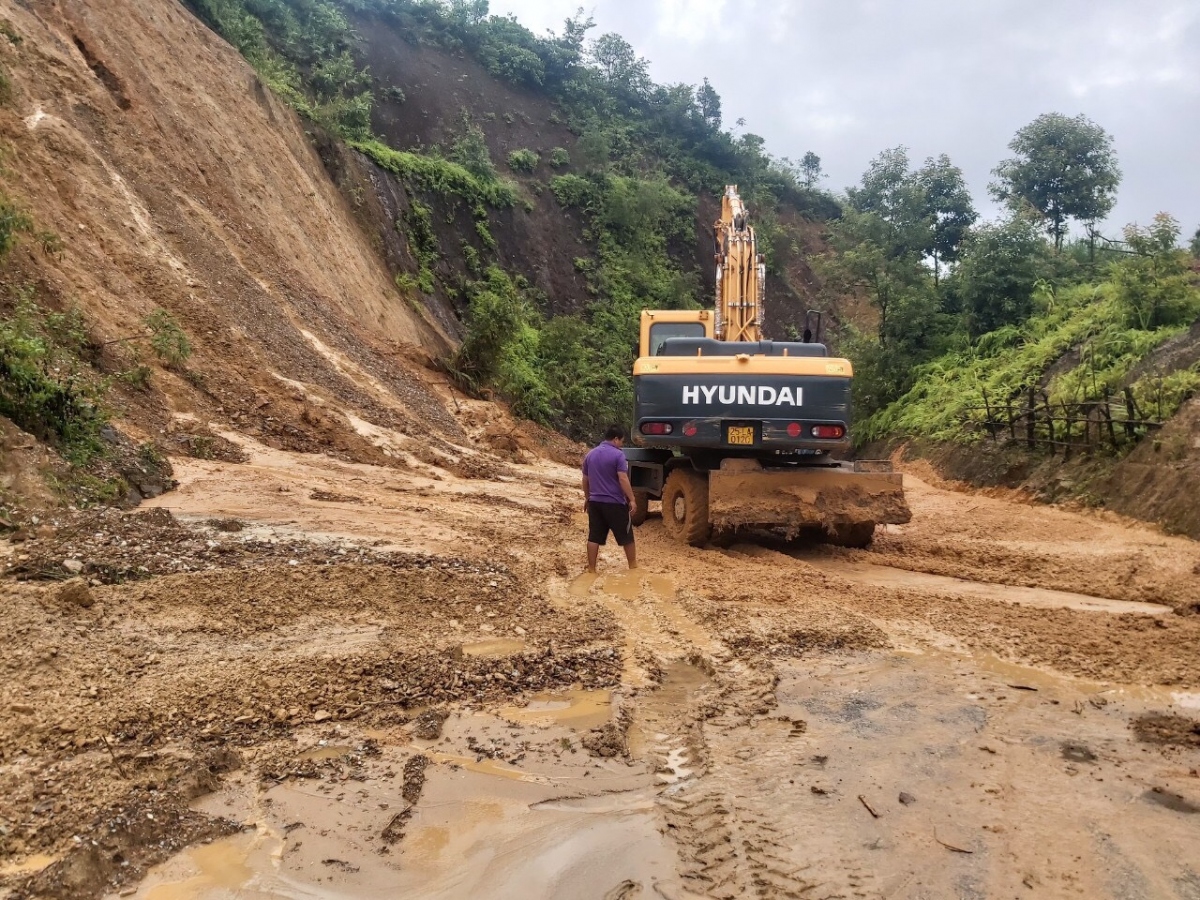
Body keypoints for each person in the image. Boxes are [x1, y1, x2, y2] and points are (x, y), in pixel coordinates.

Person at [581, 424, 637, 573]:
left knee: (593, 537)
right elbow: (623, 478)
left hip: (595, 503)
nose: (622, 445)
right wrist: (632, 499)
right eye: (622, 441)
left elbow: (585, 480)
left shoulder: (590, 454)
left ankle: (591, 570)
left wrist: (588, 498)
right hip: (615, 503)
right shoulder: (618, 455)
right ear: (616, 439)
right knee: (627, 537)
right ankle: (633, 567)